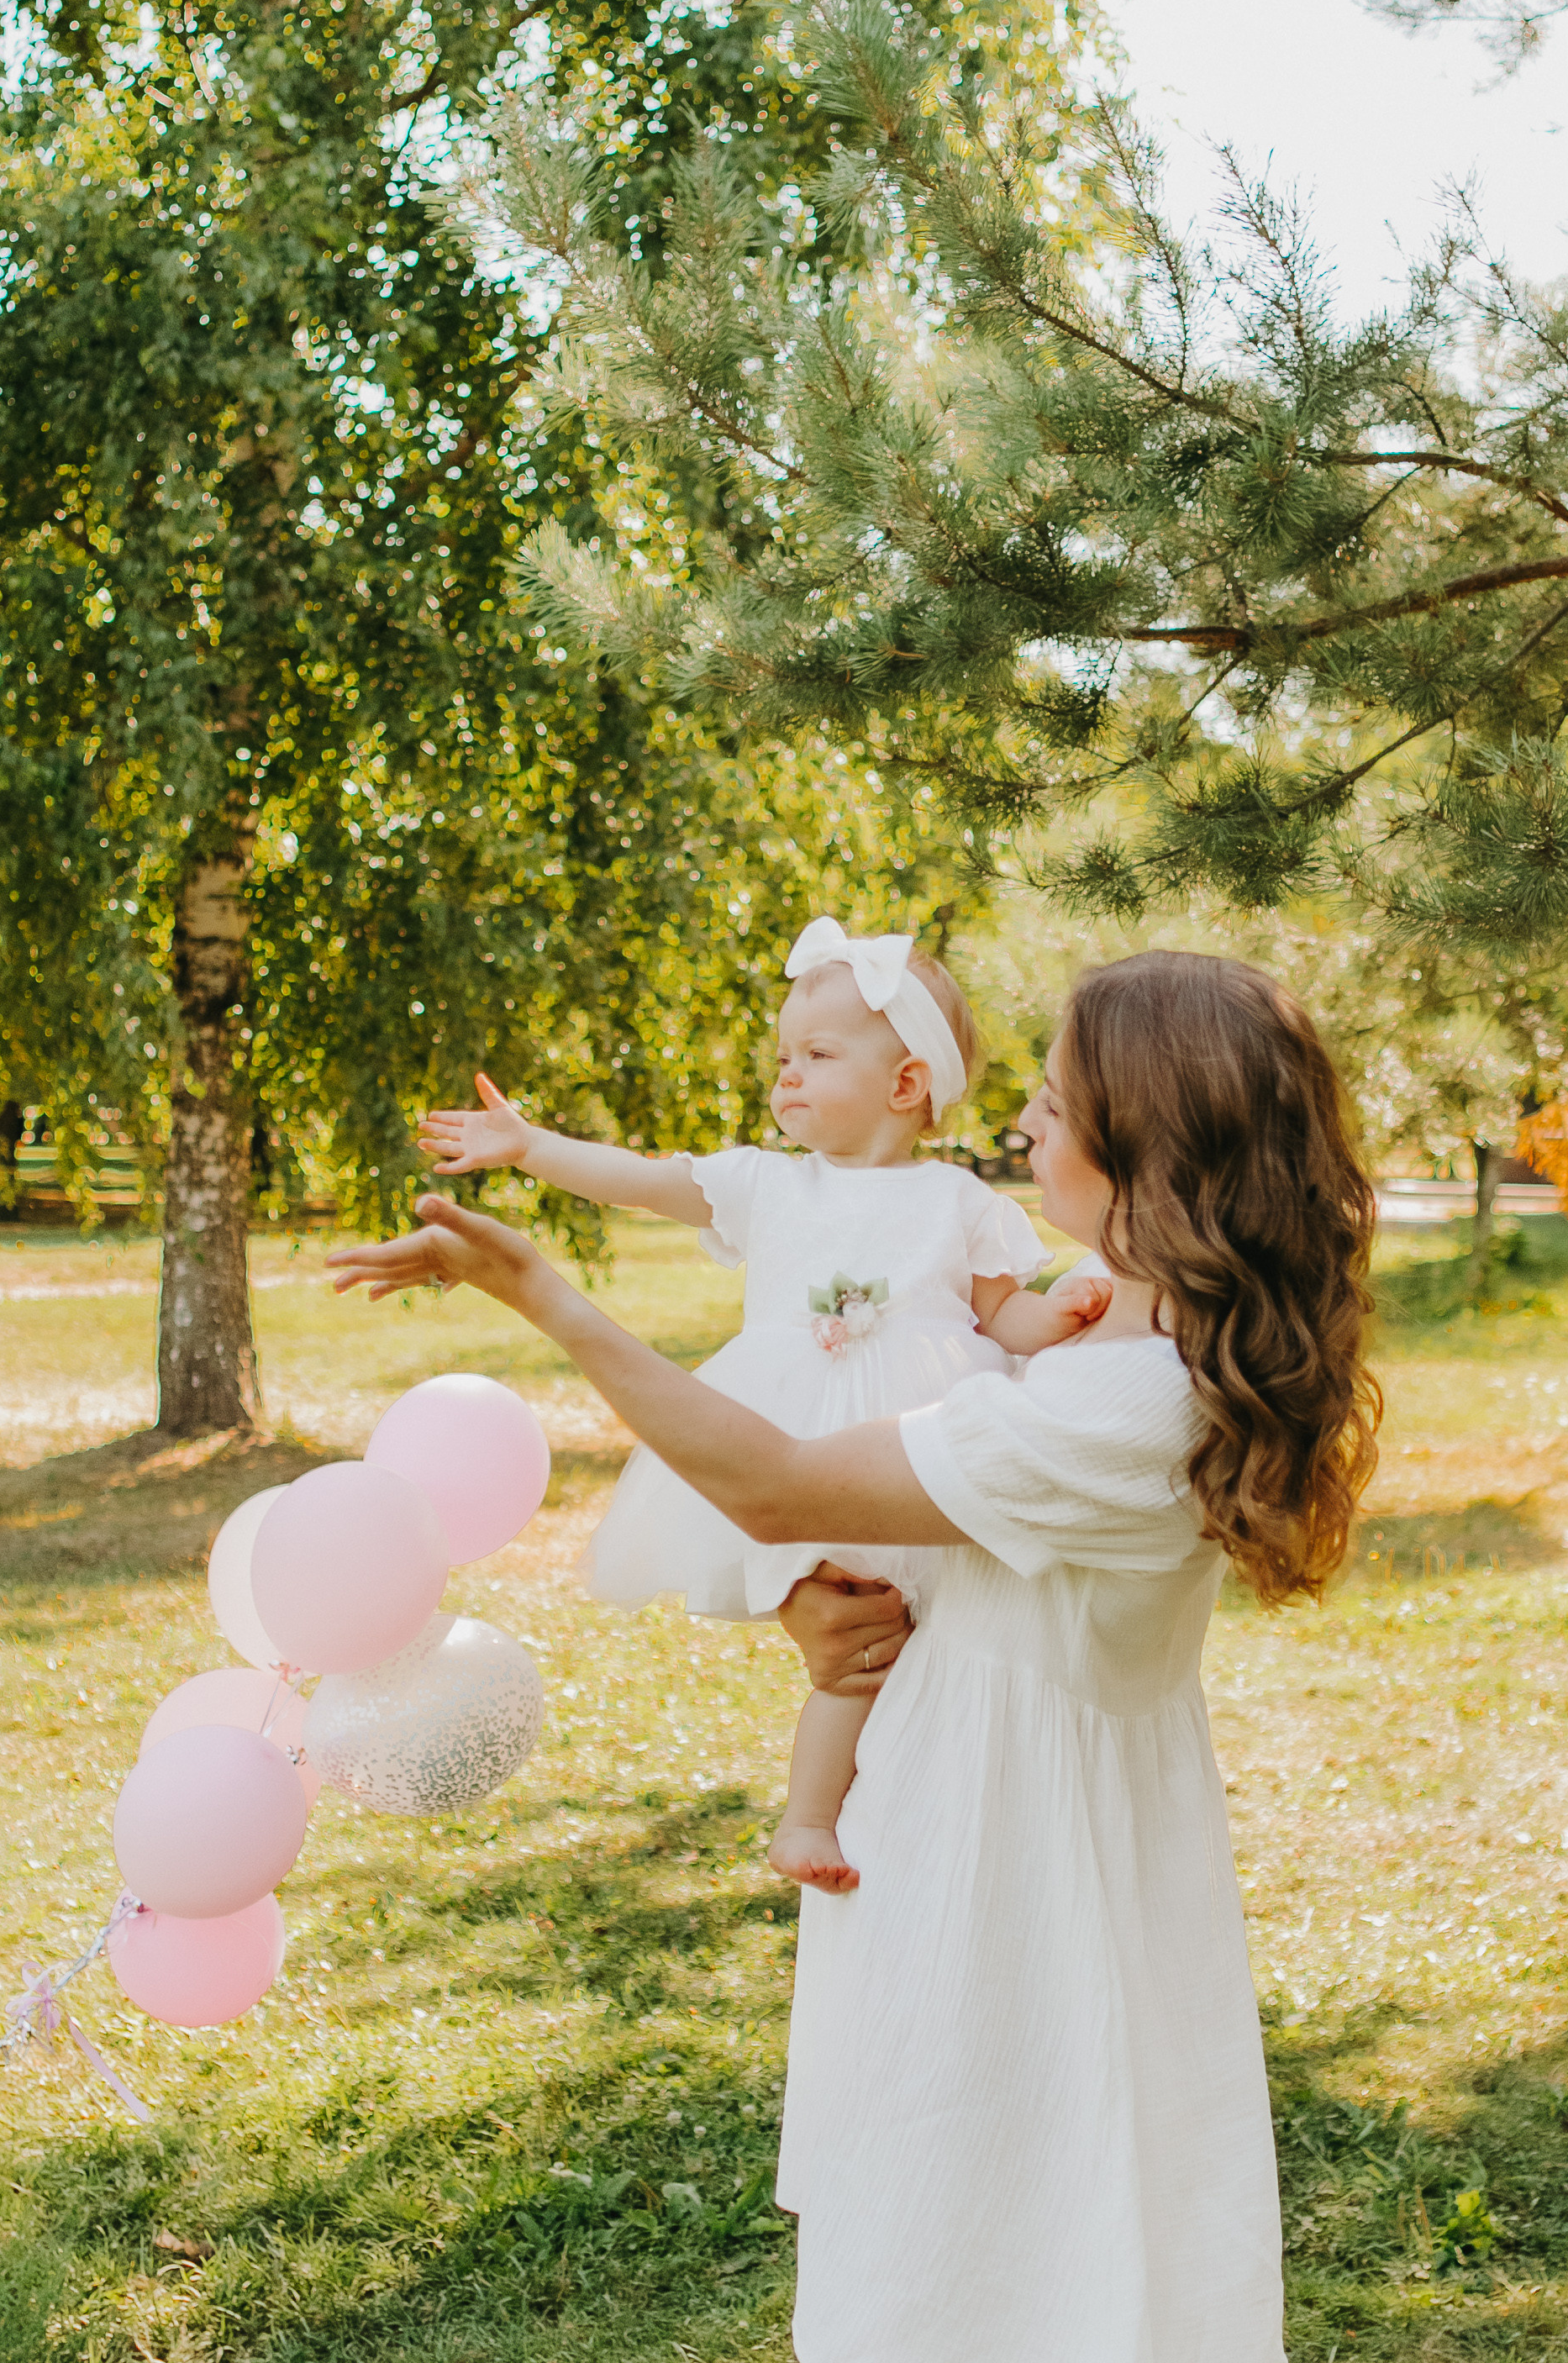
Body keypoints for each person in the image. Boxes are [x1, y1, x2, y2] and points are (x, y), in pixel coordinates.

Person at [329, 949, 1381, 2363]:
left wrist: (546, 1296)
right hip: (979, 1809)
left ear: (1151, 1148)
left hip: (1007, 1867)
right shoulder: (1115, 1308)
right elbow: (884, 1532)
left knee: (989, 2239)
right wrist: (798, 1609)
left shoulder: (1134, 1403)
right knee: (1008, 2225)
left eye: (1061, 1108)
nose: (1026, 1128)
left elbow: (779, 1487)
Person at [413, 914, 1102, 1890]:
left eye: (816, 1055)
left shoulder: (958, 1204)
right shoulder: (765, 1185)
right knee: (851, 1643)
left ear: (905, 1086)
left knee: (912, 1642)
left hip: (914, 1448)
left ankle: (916, 1820)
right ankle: (808, 1817)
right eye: (783, 1054)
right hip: (782, 1440)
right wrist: (529, 1147)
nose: (786, 1074)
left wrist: (1059, 1311)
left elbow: (1003, 1318)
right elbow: (640, 1182)